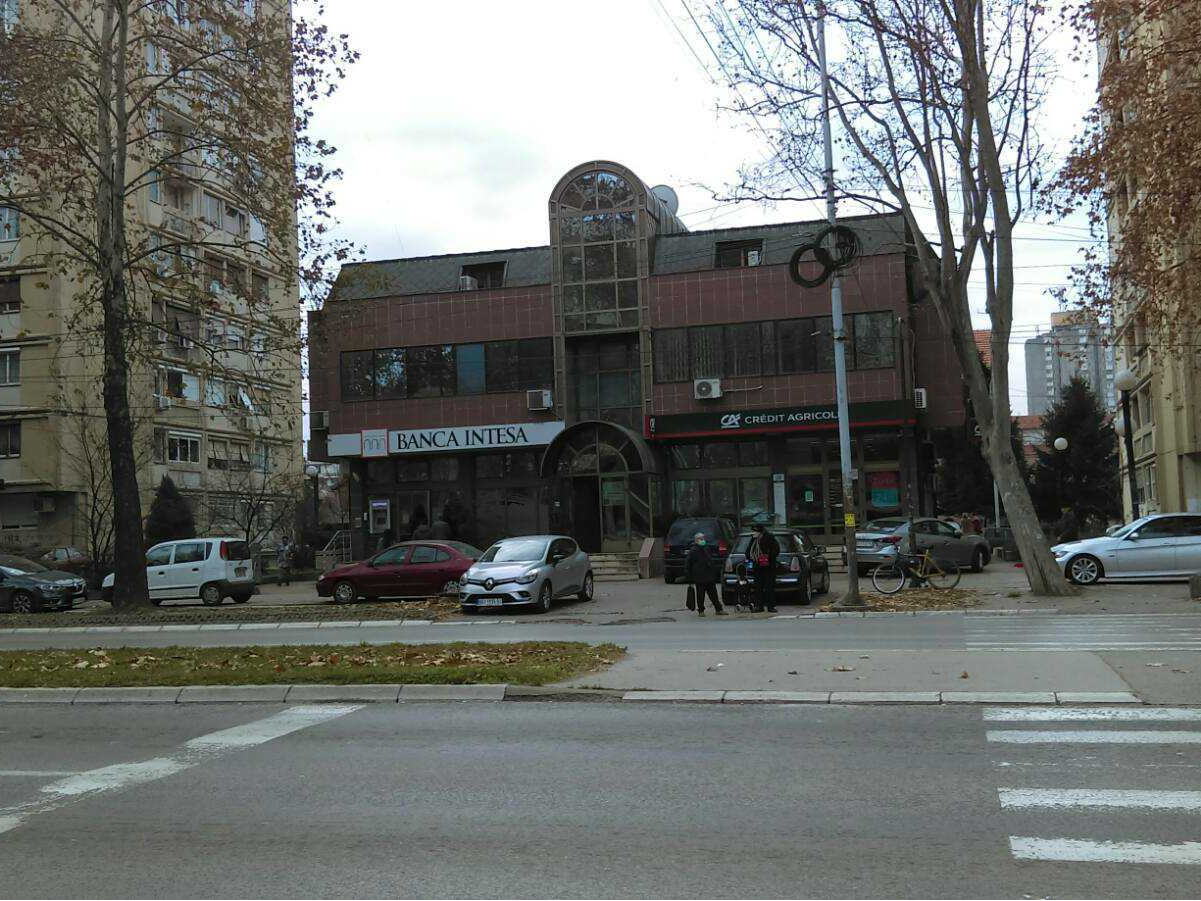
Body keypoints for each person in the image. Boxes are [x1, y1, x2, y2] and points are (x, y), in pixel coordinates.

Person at [684, 531, 725, 616]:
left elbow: (710, 560)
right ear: (696, 540)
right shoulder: (693, 550)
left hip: (709, 576)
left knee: (714, 594)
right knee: (700, 595)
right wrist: (689, 578)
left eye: (703, 538)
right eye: (701, 539)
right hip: (699, 577)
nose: (703, 540)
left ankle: (718, 609)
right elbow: (688, 564)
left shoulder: (706, 548)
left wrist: (713, 570)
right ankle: (701, 611)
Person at [748, 523, 780, 613]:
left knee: (769, 587)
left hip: (768, 567)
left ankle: (771, 606)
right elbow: (748, 551)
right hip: (758, 567)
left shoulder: (769, 537)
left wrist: (767, 556)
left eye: (755, 531)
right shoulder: (753, 539)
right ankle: (759, 606)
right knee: (758, 587)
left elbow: (776, 550)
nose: (753, 533)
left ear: (760, 532)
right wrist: (753, 558)